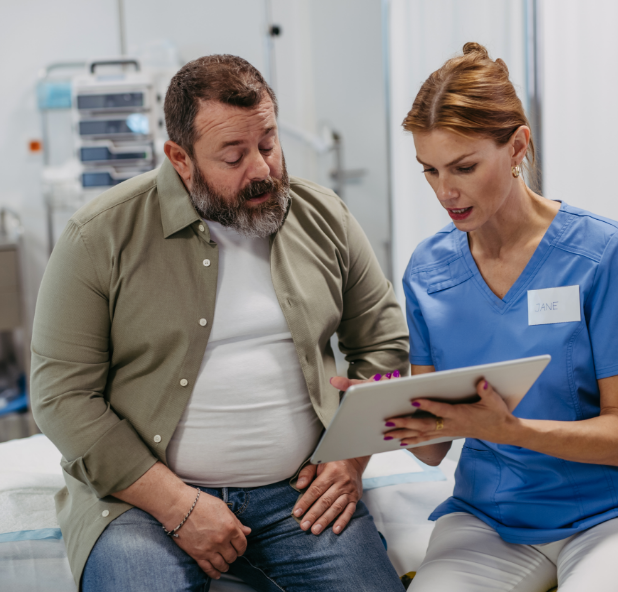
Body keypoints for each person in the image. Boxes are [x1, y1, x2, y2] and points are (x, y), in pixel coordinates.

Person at [30, 54, 409, 592]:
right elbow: (60, 396)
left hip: (300, 498)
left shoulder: (323, 216)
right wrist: (178, 504)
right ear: (180, 158)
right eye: (233, 156)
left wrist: (351, 457)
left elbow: (385, 345)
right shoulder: (99, 237)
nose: (262, 170)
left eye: (269, 145)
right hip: (143, 503)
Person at [333, 42, 618, 591]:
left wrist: (511, 431)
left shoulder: (598, 255)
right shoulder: (429, 271)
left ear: (517, 146)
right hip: (488, 520)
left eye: (464, 167)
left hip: (603, 515)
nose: (446, 191)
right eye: (430, 170)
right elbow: (435, 447)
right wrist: (382, 410)